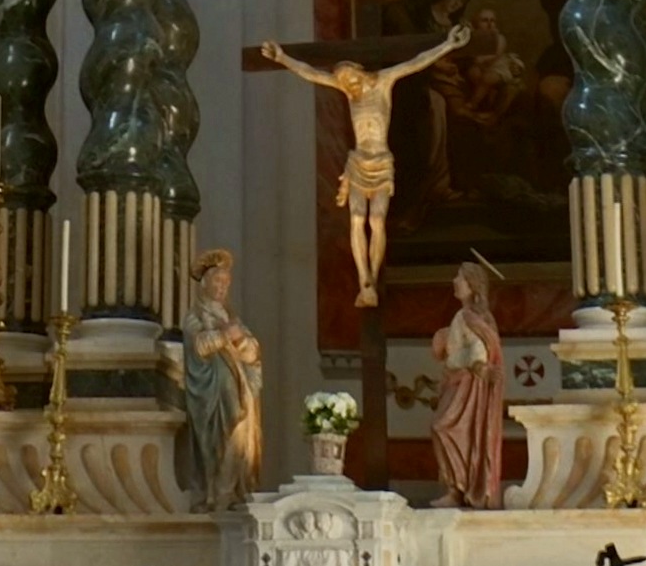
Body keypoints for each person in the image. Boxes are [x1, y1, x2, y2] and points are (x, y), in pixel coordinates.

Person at [259, 26, 463, 305]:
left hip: (381, 164)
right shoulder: (347, 88)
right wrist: (283, 58)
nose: (349, 87)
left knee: (376, 220)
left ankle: (373, 278)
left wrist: (448, 46)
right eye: (344, 83)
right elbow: (313, 74)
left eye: (351, 80)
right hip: (357, 163)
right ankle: (364, 280)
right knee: (356, 219)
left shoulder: (383, 81)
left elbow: (416, 62)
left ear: (359, 72)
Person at [177, 244, 264, 513]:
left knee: (242, 441)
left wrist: (242, 342)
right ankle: (218, 492)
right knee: (221, 442)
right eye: (217, 280)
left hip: (240, 390)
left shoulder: (231, 316)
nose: (222, 286)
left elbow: (252, 351)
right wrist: (225, 336)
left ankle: (237, 489)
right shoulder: (196, 316)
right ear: (204, 284)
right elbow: (198, 346)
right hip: (213, 393)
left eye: (226, 282)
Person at [428, 253, 508, 508]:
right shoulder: (464, 315)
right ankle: (457, 488)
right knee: (451, 430)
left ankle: (459, 487)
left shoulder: (469, 317)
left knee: (443, 427)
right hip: (461, 382)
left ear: (471, 285)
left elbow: (478, 347)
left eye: (459, 277)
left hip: (468, 385)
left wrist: (473, 365)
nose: (454, 281)